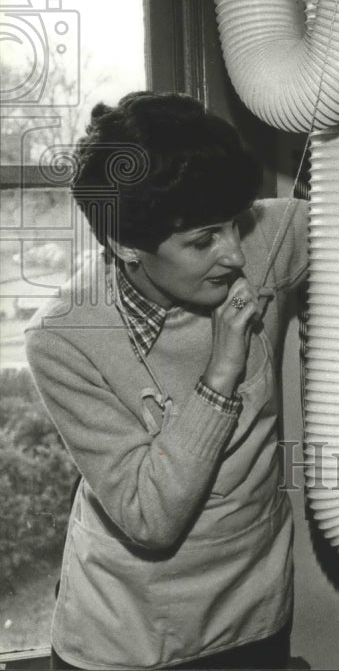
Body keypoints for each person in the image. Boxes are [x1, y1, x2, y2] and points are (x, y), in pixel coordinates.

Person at [25, 91, 309, 670]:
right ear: (126, 246)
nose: (234, 254)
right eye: (204, 239)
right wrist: (220, 375)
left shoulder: (258, 239)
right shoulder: (63, 337)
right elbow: (149, 518)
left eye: (236, 224)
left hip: (254, 615)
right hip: (124, 636)